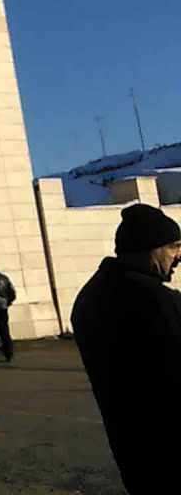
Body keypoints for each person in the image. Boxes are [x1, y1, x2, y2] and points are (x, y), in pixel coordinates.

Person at [71, 203, 181, 495]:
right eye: (173, 246)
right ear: (149, 249)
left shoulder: (88, 297)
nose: (179, 256)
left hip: (131, 448)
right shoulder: (156, 301)